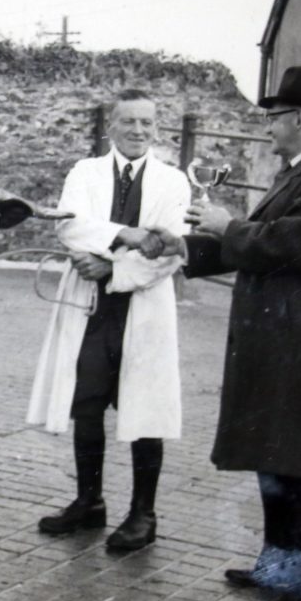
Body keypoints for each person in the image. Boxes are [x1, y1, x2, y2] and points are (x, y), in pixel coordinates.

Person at [152, 66, 301, 601]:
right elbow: (262, 244)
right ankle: (281, 567)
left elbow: (285, 248)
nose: (267, 128)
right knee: (278, 459)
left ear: (300, 117)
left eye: (273, 118)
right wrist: (183, 247)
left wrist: (227, 226)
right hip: (283, 346)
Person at [27, 89, 190, 551]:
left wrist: (113, 267)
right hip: (90, 307)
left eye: (147, 123)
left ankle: (143, 514)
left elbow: (170, 249)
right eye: (129, 122)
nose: (138, 131)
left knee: (145, 409)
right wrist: (127, 235)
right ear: (110, 128)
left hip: (142, 305)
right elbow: (70, 225)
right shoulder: (85, 172)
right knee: (87, 402)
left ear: (156, 129)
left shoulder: (173, 182)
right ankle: (89, 501)